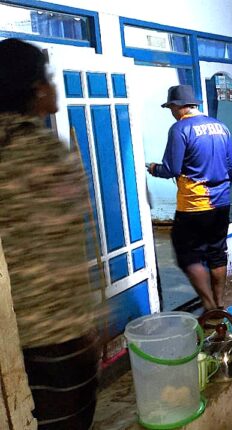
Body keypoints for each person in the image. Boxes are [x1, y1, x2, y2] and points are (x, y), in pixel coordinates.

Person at [0, 38, 100, 429]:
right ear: (38, 89)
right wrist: (95, 318)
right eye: (51, 78)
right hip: (59, 333)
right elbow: (68, 247)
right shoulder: (42, 151)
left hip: (12, 337)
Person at [147, 84, 232, 311]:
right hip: (222, 202)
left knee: (187, 255)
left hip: (194, 205)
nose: (171, 112)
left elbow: (172, 169)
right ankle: (220, 303)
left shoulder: (180, 129)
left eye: (170, 107)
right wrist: (222, 188)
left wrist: (154, 168)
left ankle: (209, 306)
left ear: (178, 106)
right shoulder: (220, 127)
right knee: (217, 252)